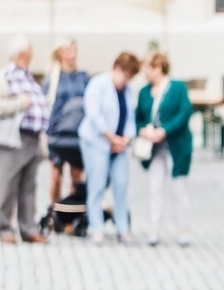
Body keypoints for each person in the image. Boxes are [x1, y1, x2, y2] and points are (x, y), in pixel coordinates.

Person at [0, 35, 50, 243]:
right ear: (23, 53)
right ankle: (4, 228)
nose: (32, 54)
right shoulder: (3, 76)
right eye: (31, 50)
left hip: (32, 139)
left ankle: (28, 228)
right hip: (12, 139)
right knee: (8, 185)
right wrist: (19, 104)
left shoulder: (26, 76)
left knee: (29, 187)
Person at [135, 53, 194, 247]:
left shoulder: (177, 87)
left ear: (158, 68)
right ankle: (154, 230)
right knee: (154, 188)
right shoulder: (144, 91)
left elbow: (184, 112)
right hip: (154, 149)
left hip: (176, 147)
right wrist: (143, 130)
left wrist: (165, 131)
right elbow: (138, 116)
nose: (144, 73)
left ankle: (183, 231)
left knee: (179, 189)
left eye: (147, 69)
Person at [81, 52, 141, 244]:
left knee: (121, 184)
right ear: (116, 69)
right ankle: (96, 227)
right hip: (97, 142)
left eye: (130, 77)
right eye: (125, 75)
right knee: (97, 184)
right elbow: (94, 115)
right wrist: (110, 138)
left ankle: (122, 228)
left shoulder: (128, 90)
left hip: (119, 145)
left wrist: (125, 139)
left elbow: (130, 117)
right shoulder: (98, 84)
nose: (127, 80)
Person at [45, 40, 90, 209]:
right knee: (56, 174)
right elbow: (47, 107)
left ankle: (72, 213)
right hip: (58, 134)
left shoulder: (83, 78)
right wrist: (47, 135)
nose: (73, 54)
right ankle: (55, 213)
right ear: (61, 53)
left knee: (77, 176)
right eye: (69, 50)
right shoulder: (53, 78)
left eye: (74, 50)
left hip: (78, 134)